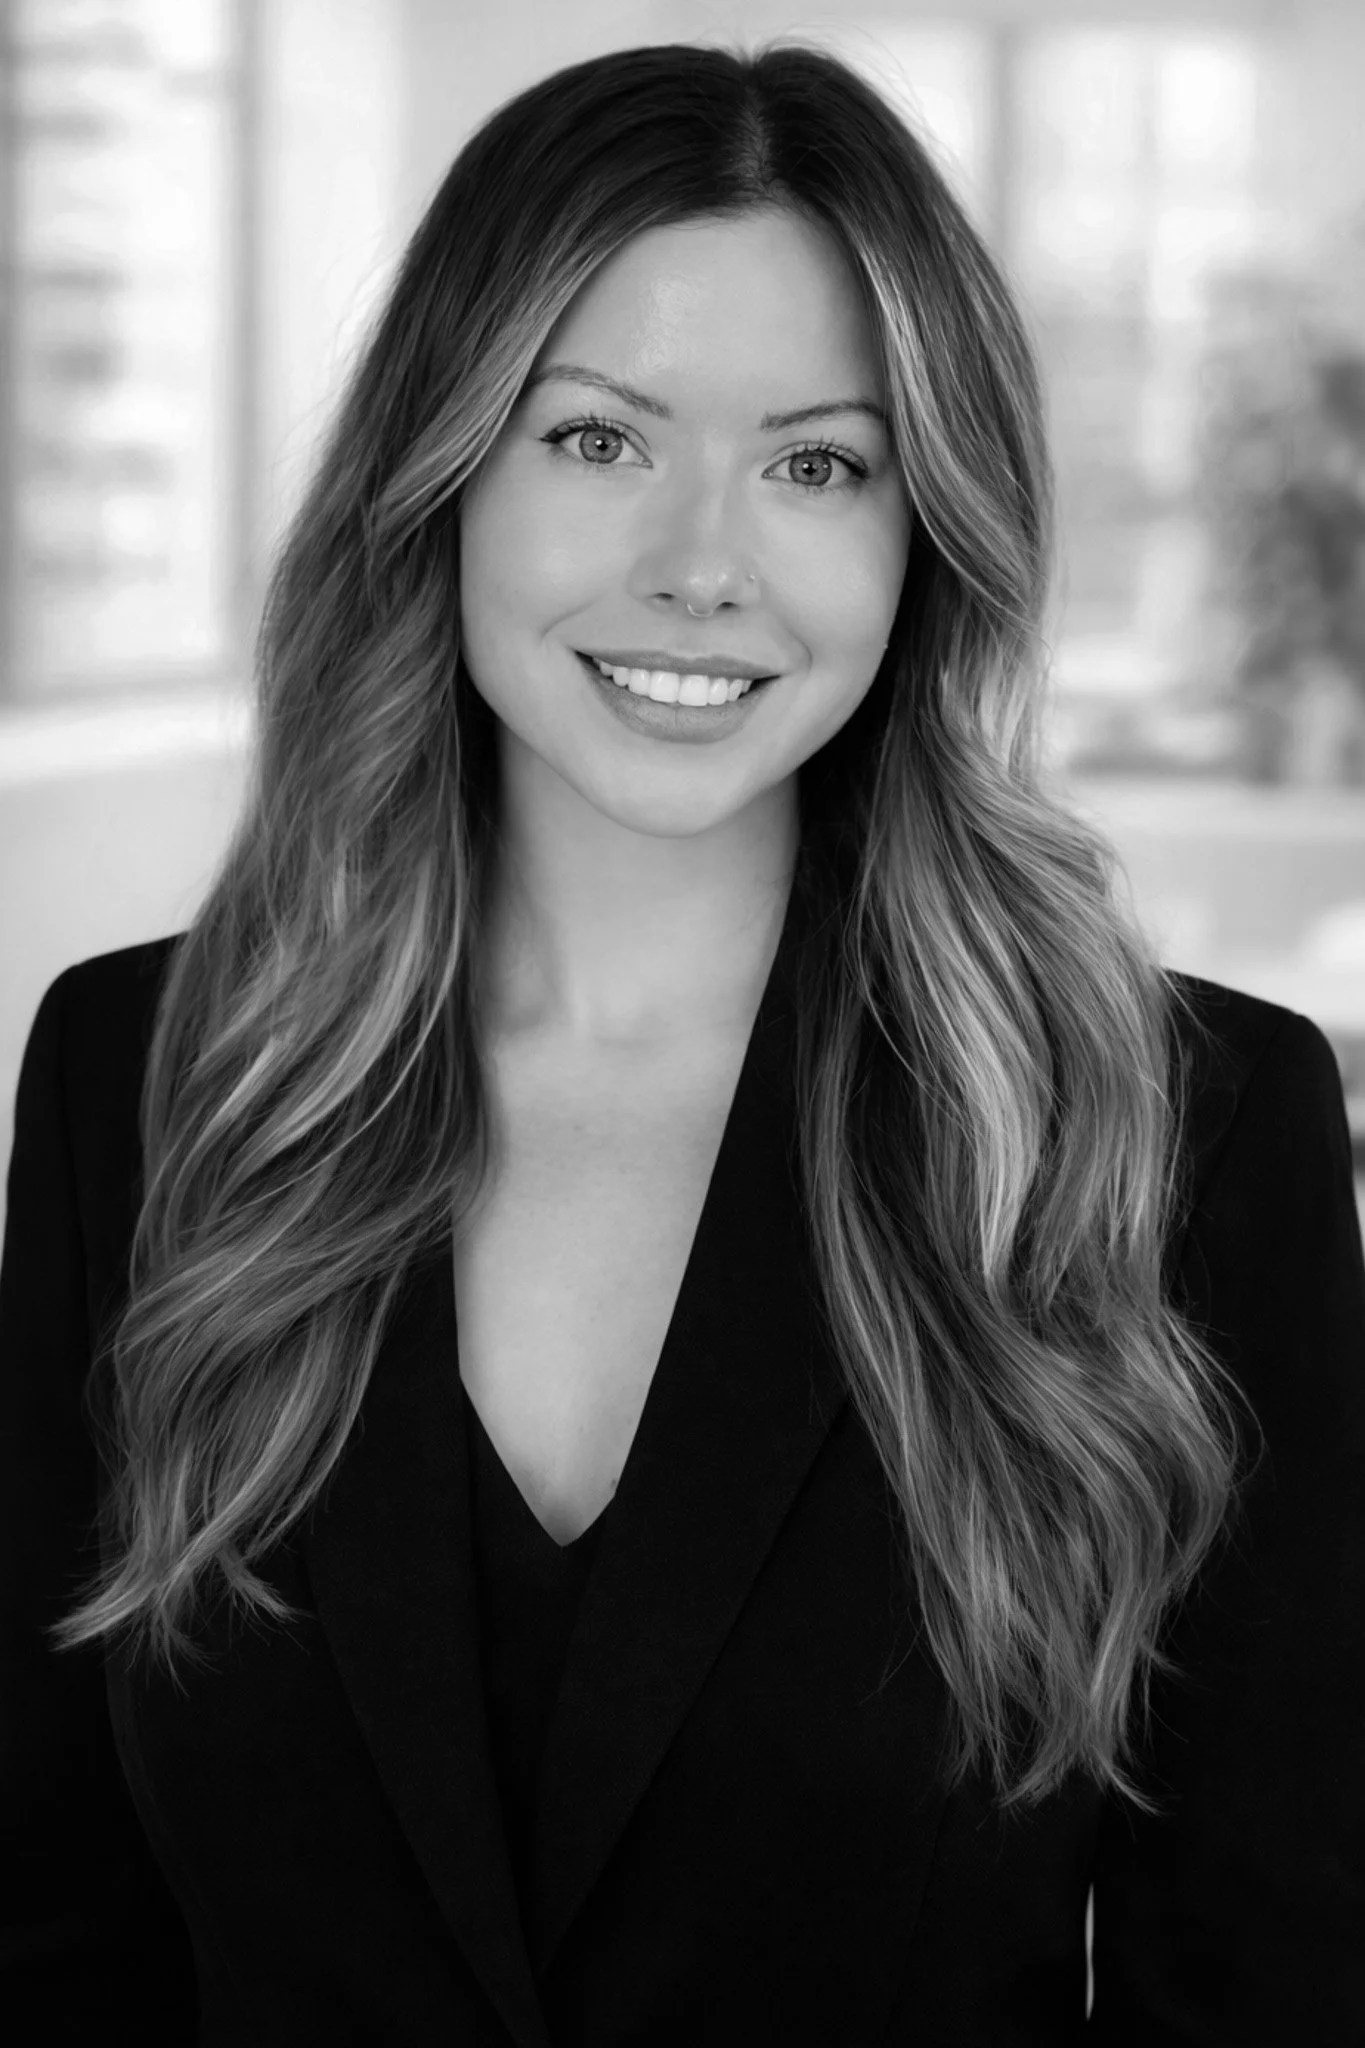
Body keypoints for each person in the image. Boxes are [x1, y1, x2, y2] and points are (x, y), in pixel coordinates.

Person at [2, 37, 1363, 2048]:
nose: (702, 562)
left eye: (819, 463)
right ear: (440, 469)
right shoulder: (143, 1078)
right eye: (596, 440)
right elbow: (58, 1936)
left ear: (927, 538)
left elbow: (1266, 1975)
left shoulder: (1182, 1131)